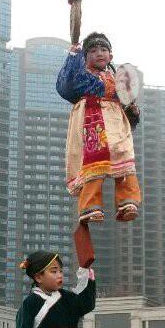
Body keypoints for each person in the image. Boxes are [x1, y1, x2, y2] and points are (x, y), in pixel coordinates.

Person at [57, 33, 141, 224]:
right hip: (92, 121)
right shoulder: (82, 77)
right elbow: (66, 86)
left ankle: (128, 202)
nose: (99, 53)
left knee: (125, 159)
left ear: (110, 56)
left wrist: (132, 111)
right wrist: (73, 56)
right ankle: (89, 206)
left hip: (115, 123)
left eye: (103, 50)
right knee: (94, 163)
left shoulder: (117, 79)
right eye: (93, 51)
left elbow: (127, 103)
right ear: (85, 57)